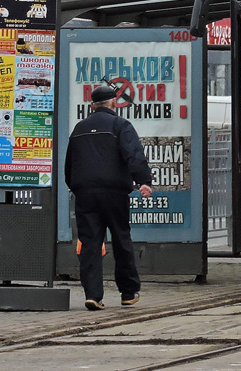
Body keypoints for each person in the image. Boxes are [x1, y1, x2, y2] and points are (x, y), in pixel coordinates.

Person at [65, 84, 154, 311]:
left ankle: (93, 295)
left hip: (86, 194)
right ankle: (128, 292)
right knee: (121, 239)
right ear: (114, 103)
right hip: (115, 193)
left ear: (92, 105)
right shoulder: (121, 125)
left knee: (90, 243)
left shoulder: (79, 128)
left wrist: (77, 187)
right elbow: (133, 154)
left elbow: (69, 164)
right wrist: (144, 181)